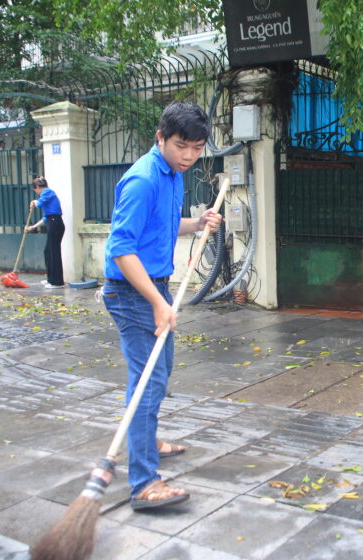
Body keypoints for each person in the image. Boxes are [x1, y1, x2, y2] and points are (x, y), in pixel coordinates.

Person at [102, 101, 221, 510]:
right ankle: (143, 483)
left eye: (197, 148)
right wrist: (157, 302)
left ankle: (145, 436)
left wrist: (198, 223)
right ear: (160, 138)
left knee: (159, 372)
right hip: (132, 292)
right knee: (148, 383)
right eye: (181, 146)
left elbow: (165, 226)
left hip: (153, 286)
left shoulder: (173, 174)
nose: (189, 155)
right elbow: (121, 250)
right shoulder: (143, 180)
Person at [25, 176, 65, 288]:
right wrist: (32, 227)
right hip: (52, 222)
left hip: (56, 225)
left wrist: (34, 202)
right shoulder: (47, 197)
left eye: (35, 190)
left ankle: (57, 282)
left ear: (37, 187)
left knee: (54, 252)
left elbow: (38, 204)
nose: (36, 192)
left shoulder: (47, 192)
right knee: (48, 252)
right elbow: (46, 218)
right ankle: (50, 279)